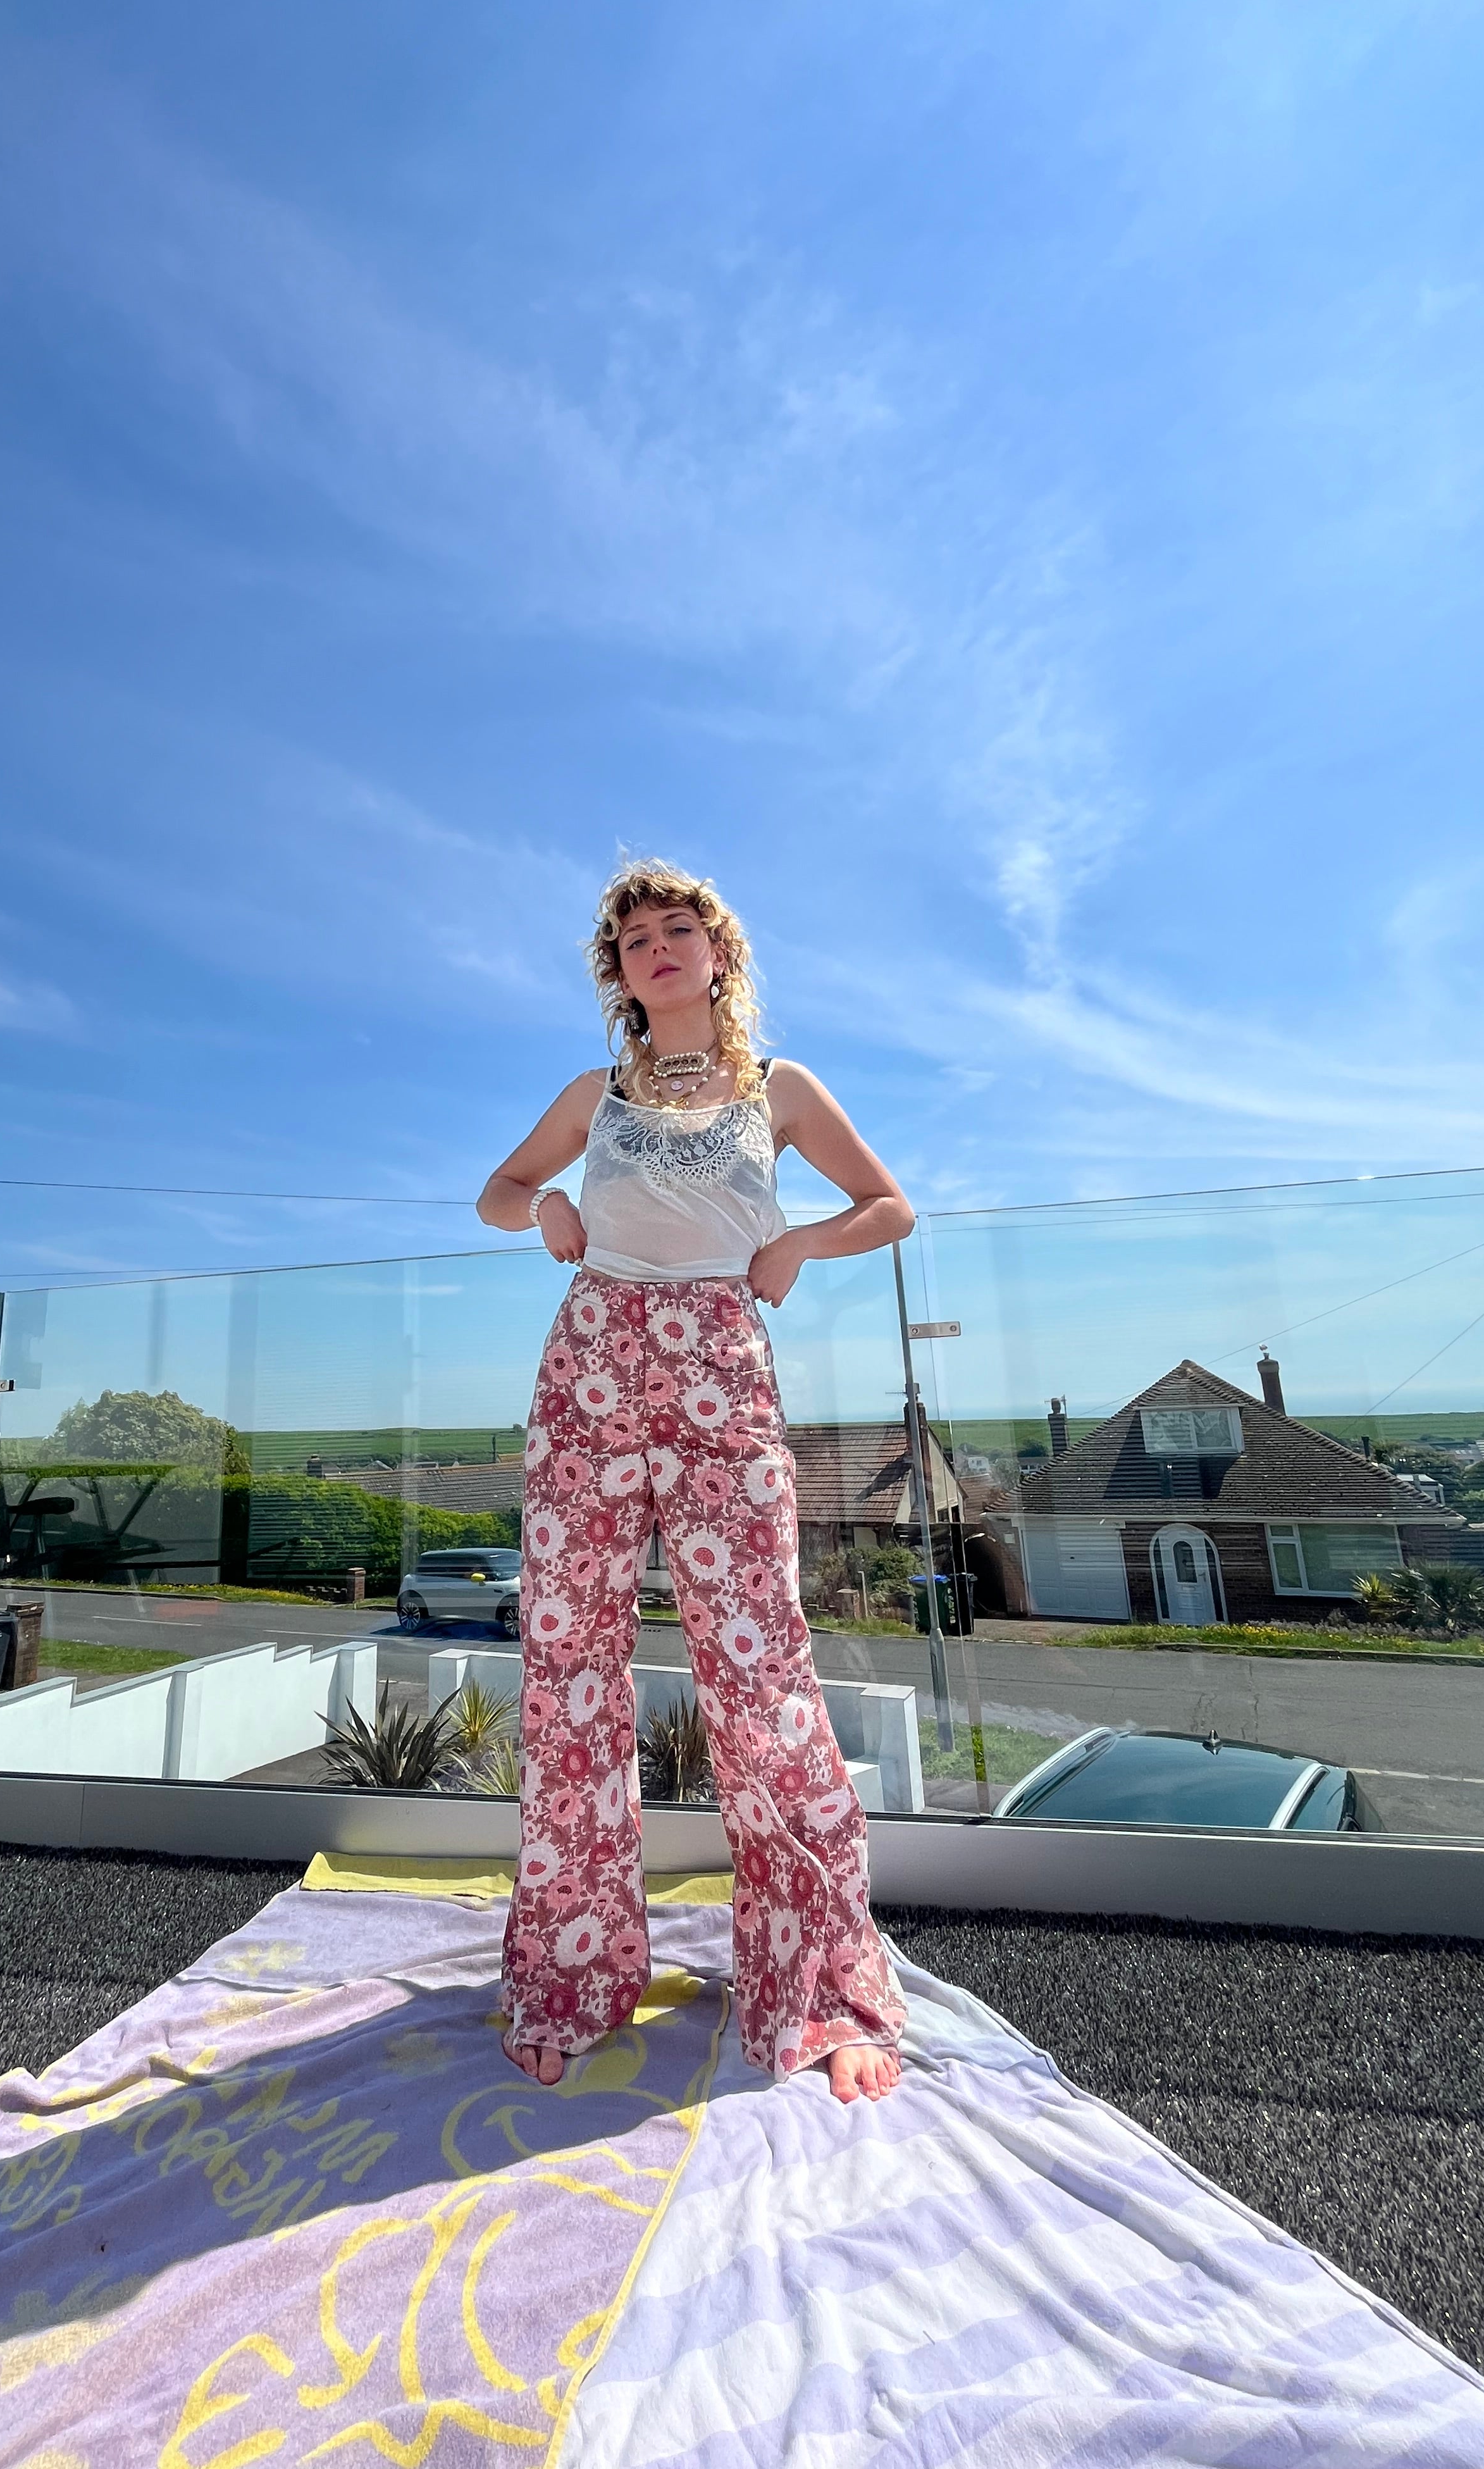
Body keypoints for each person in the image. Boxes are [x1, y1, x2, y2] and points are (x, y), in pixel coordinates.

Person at [475, 858, 913, 2104]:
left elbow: (890, 1206)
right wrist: (547, 1205)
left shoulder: (780, 1088)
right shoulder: (593, 1094)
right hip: (592, 1361)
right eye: (635, 937)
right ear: (616, 974)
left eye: (681, 929)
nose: (658, 947)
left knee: (761, 1667)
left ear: (718, 956)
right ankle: (570, 1975)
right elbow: (496, 1192)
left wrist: (797, 1243)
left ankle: (819, 1981)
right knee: (570, 1672)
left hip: (721, 1357)